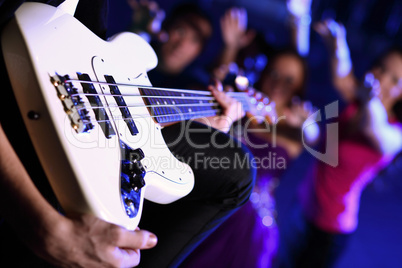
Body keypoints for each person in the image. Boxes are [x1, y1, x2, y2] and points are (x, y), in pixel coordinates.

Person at [0, 1, 255, 267]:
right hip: (25, 141)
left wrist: (193, 127)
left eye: (196, 40)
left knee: (231, 167)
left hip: (79, 129)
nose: (183, 43)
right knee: (236, 174)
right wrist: (43, 225)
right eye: (181, 30)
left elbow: (103, 91)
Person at [277, 19, 402, 268]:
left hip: (328, 232)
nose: (382, 79)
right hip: (301, 207)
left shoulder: (393, 134)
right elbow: (342, 78)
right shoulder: (357, 104)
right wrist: (338, 43)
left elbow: (373, 128)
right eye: (380, 68)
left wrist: (371, 102)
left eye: (395, 79)